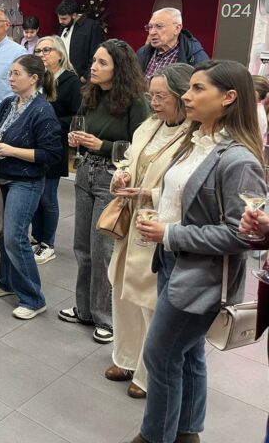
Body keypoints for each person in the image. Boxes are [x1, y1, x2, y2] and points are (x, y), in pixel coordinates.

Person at [130, 60, 263, 443]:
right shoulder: (195, 141)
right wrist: (152, 197)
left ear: (229, 97)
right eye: (188, 88)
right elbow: (187, 194)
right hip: (172, 263)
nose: (186, 96)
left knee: (160, 354)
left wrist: (170, 233)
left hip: (201, 275)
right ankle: (187, 431)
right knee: (186, 353)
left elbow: (240, 235)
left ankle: (155, 436)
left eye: (198, 89)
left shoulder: (238, 160)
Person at [106, 63, 193, 400]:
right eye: (151, 95)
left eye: (161, 96)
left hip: (160, 224)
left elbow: (186, 189)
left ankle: (146, 373)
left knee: (149, 300)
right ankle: (125, 358)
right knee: (122, 290)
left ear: (182, 97)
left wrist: (148, 193)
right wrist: (122, 175)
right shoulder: (149, 126)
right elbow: (130, 158)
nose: (153, 102)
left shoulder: (194, 137)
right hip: (132, 219)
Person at [59, 39, 149, 344]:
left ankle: (106, 318)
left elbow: (139, 148)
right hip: (85, 171)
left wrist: (103, 146)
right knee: (82, 247)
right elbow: (79, 126)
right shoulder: (91, 93)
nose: (94, 67)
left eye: (102, 63)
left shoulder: (135, 102)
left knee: (103, 250)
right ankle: (84, 309)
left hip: (112, 177)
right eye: (94, 61)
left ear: (118, 68)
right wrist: (75, 138)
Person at [0, 54, 61, 318]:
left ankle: (33, 298)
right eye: (10, 73)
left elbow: (51, 155)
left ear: (34, 78)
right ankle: (7, 282)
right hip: (2, 175)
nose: (11, 78)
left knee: (15, 237)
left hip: (26, 181)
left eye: (17, 74)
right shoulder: (9, 104)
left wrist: (11, 150)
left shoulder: (43, 111)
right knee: (2, 233)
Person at [29, 36, 81, 264]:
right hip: (34, 144)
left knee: (48, 197)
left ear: (60, 54)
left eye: (47, 50)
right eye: (38, 51)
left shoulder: (70, 81)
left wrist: (48, 122)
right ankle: (37, 237)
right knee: (35, 194)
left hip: (53, 144)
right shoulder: (37, 78)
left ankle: (47, 243)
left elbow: (77, 117)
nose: (42, 54)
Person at [137, 7, 209, 81]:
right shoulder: (142, 53)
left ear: (177, 28)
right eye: (150, 27)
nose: (152, 32)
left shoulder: (195, 58)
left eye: (159, 26)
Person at [56, 0, 104, 84]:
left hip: (80, 79)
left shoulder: (91, 26)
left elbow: (96, 52)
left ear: (74, 15)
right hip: (62, 76)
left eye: (64, 18)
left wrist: (86, 76)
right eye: (59, 18)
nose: (60, 21)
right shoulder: (63, 26)